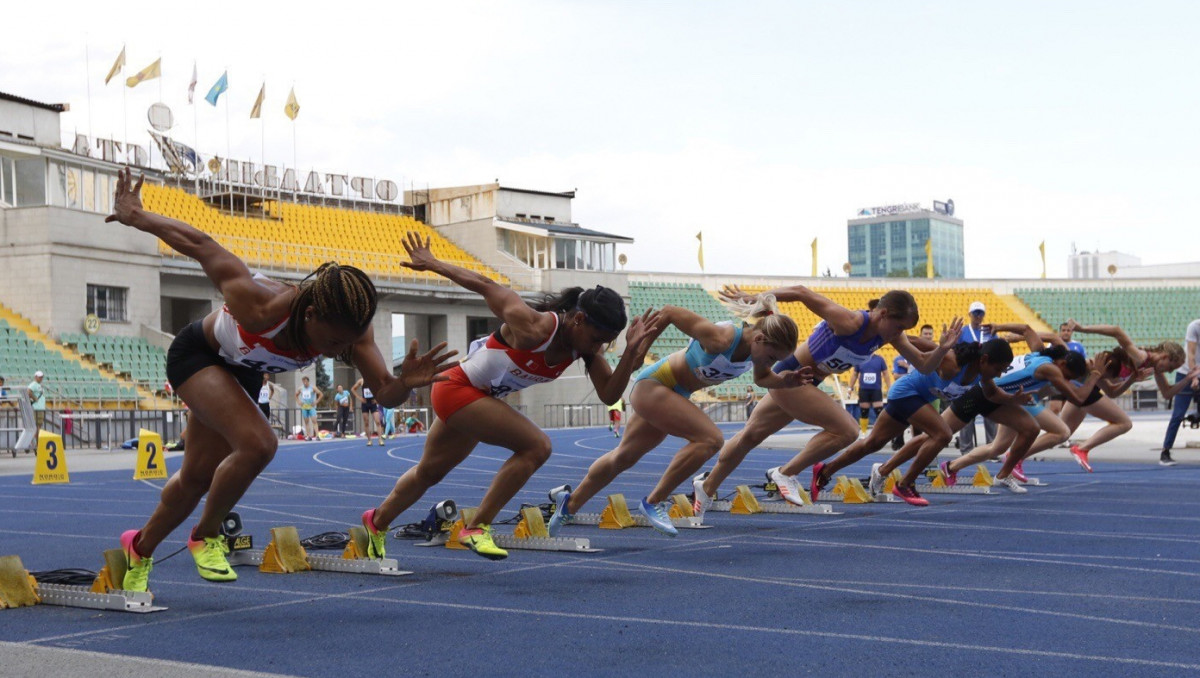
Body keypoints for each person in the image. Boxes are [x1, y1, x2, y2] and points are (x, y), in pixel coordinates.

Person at [105, 168, 456, 593]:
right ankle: (205, 536)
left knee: (198, 477)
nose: (335, 350)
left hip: (244, 372)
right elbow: (202, 244)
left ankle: (138, 549)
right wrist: (137, 216)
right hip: (198, 356)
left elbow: (385, 393)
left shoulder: (353, 329)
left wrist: (406, 382)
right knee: (259, 444)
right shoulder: (260, 303)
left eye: (345, 342)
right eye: (330, 340)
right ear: (309, 314)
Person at [360, 233, 658, 561]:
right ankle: (476, 527)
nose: (599, 347)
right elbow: (486, 284)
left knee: (429, 472)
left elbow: (610, 394)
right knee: (537, 446)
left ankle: (376, 522)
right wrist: (433, 264)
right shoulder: (533, 326)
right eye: (598, 338)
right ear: (578, 319)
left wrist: (631, 352)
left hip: (474, 397)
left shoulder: (583, 349)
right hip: (457, 387)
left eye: (608, 342)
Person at [548, 295, 808, 535]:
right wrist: (639, 351)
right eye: (772, 357)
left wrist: (787, 380)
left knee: (624, 456)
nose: (771, 362)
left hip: (674, 392)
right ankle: (653, 502)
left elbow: (763, 378)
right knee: (711, 440)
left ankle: (568, 504)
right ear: (760, 339)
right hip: (657, 383)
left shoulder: (757, 351)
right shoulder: (722, 338)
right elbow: (670, 312)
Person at [696, 285, 956, 507]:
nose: (898, 333)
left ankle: (705, 486)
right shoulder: (849, 321)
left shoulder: (890, 336)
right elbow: (801, 292)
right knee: (847, 431)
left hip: (805, 383)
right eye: (898, 326)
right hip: (790, 375)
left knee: (749, 437)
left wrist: (942, 348)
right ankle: (785, 473)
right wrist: (760, 297)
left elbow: (923, 365)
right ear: (883, 314)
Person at [816, 337, 1016, 505]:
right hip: (906, 392)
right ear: (985, 359)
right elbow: (912, 340)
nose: (998, 374)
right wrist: (877, 339)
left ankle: (825, 471)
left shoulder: (983, 375)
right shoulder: (951, 361)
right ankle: (905, 484)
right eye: (999, 369)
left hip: (913, 398)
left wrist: (1013, 400)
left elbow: (992, 394)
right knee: (943, 434)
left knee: (872, 443)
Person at [1058, 320, 1192, 469]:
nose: (1169, 372)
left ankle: (1025, 457)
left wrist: (1187, 378)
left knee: (1059, 434)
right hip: (1080, 381)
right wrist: (1083, 328)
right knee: (1124, 423)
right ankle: (1082, 448)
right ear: (1165, 357)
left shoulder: (1150, 369)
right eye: (1171, 367)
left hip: (1085, 387)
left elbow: (1166, 393)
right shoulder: (1140, 357)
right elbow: (1117, 331)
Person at [956, 301, 996, 453]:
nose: (978, 316)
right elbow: (957, 352)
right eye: (975, 313)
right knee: (966, 413)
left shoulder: (990, 332)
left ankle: (992, 448)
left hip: (986, 378)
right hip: (967, 377)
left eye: (981, 313)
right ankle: (966, 450)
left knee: (991, 414)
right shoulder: (963, 332)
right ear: (970, 314)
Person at [1160, 319, 1200, 465]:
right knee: (1178, 414)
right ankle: (1165, 451)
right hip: (1186, 373)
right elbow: (1191, 353)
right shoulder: (1194, 326)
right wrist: (1194, 376)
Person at [849, 352, 891, 435]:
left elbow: (886, 374)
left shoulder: (880, 359)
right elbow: (854, 374)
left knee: (879, 411)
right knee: (864, 411)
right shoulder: (860, 359)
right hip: (864, 389)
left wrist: (890, 387)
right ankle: (864, 433)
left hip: (876, 389)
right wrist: (850, 387)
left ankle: (881, 432)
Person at [352, 377, 380, 446]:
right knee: (366, 422)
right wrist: (359, 398)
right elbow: (353, 389)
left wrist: (377, 399)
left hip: (373, 403)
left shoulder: (374, 380)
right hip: (365, 403)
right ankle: (369, 440)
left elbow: (381, 389)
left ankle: (380, 440)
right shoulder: (361, 380)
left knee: (377, 421)